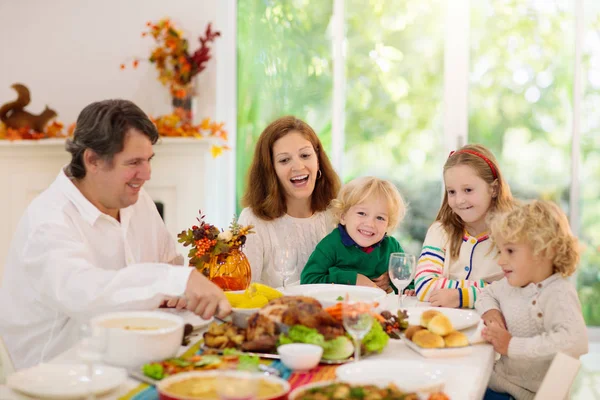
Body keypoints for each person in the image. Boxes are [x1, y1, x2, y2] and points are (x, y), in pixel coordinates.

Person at [0, 99, 231, 369]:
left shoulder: (136, 200)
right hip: (60, 374)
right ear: (93, 160)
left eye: (148, 160)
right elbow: (86, 294)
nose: (146, 174)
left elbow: (167, 265)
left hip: (128, 358)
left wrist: (180, 290)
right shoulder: (49, 220)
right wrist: (172, 280)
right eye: (134, 162)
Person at [477, 200, 588, 400]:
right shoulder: (512, 284)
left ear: (544, 251)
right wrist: (491, 311)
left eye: (510, 251)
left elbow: (575, 340)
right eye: (500, 251)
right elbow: (486, 293)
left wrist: (512, 345)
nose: (501, 260)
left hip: (526, 395)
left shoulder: (558, 293)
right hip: (497, 384)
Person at [238, 116, 341, 288]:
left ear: (318, 160)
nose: (298, 166)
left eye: (305, 155)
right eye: (284, 160)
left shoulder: (337, 214)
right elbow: (245, 295)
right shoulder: (252, 221)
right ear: (270, 170)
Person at [414, 144, 514, 308]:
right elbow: (424, 286)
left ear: (494, 189)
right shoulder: (440, 231)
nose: (459, 200)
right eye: (452, 192)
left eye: (468, 190)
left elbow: (517, 292)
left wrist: (462, 296)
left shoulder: (513, 235)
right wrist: (489, 290)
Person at [300, 176, 406, 292]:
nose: (370, 224)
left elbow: (408, 283)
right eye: (362, 213)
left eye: (380, 218)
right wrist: (353, 279)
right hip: (338, 307)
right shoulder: (331, 245)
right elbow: (308, 280)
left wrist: (391, 280)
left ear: (388, 224)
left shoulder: (391, 247)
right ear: (343, 216)